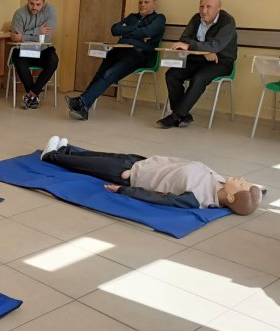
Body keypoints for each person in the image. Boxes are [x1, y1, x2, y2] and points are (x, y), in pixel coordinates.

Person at [40, 136, 261, 215]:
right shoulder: (219, 180)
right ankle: (66, 150)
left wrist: (125, 189)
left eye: (241, 184)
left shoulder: (199, 198)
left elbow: (158, 198)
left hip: (130, 176)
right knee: (98, 155)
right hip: (144, 162)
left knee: (90, 165)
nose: (241, 179)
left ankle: (51, 156)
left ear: (231, 198)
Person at [66, 0, 165, 121]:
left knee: (109, 74)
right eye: (140, 2)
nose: (142, 5)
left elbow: (148, 31)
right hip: (119, 50)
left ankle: (82, 102)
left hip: (138, 54)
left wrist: (127, 32)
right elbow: (115, 29)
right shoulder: (132, 17)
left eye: (146, 2)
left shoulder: (159, 19)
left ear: (154, 4)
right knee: (99, 74)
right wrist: (137, 29)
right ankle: (83, 106)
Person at [157, 0, 236, 129]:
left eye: (208, 7)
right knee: (171, 75)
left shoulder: (227, 21)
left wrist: (202, 47)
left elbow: (216, 46)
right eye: (202, 6)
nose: (204, 10)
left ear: (218, 7)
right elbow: (183, 39)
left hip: (221, 62)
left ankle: (176, 116)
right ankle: (185, 115)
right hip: (198, 59)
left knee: (199, 78)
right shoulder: (196, 18)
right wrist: (205, 51)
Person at [10, 0, 59, 110]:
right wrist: (38, 31)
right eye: (31, 4)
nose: (34, 7)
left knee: (53, 60)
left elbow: (46, 38)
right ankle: (33, 96)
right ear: (27, 1)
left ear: (44, 3)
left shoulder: (50, 11)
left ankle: (31, 95)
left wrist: (24, 36)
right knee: (18, 58)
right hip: (24, 49)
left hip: (43, 49)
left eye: (38, 4)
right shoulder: (19, 13)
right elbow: (16, 38)